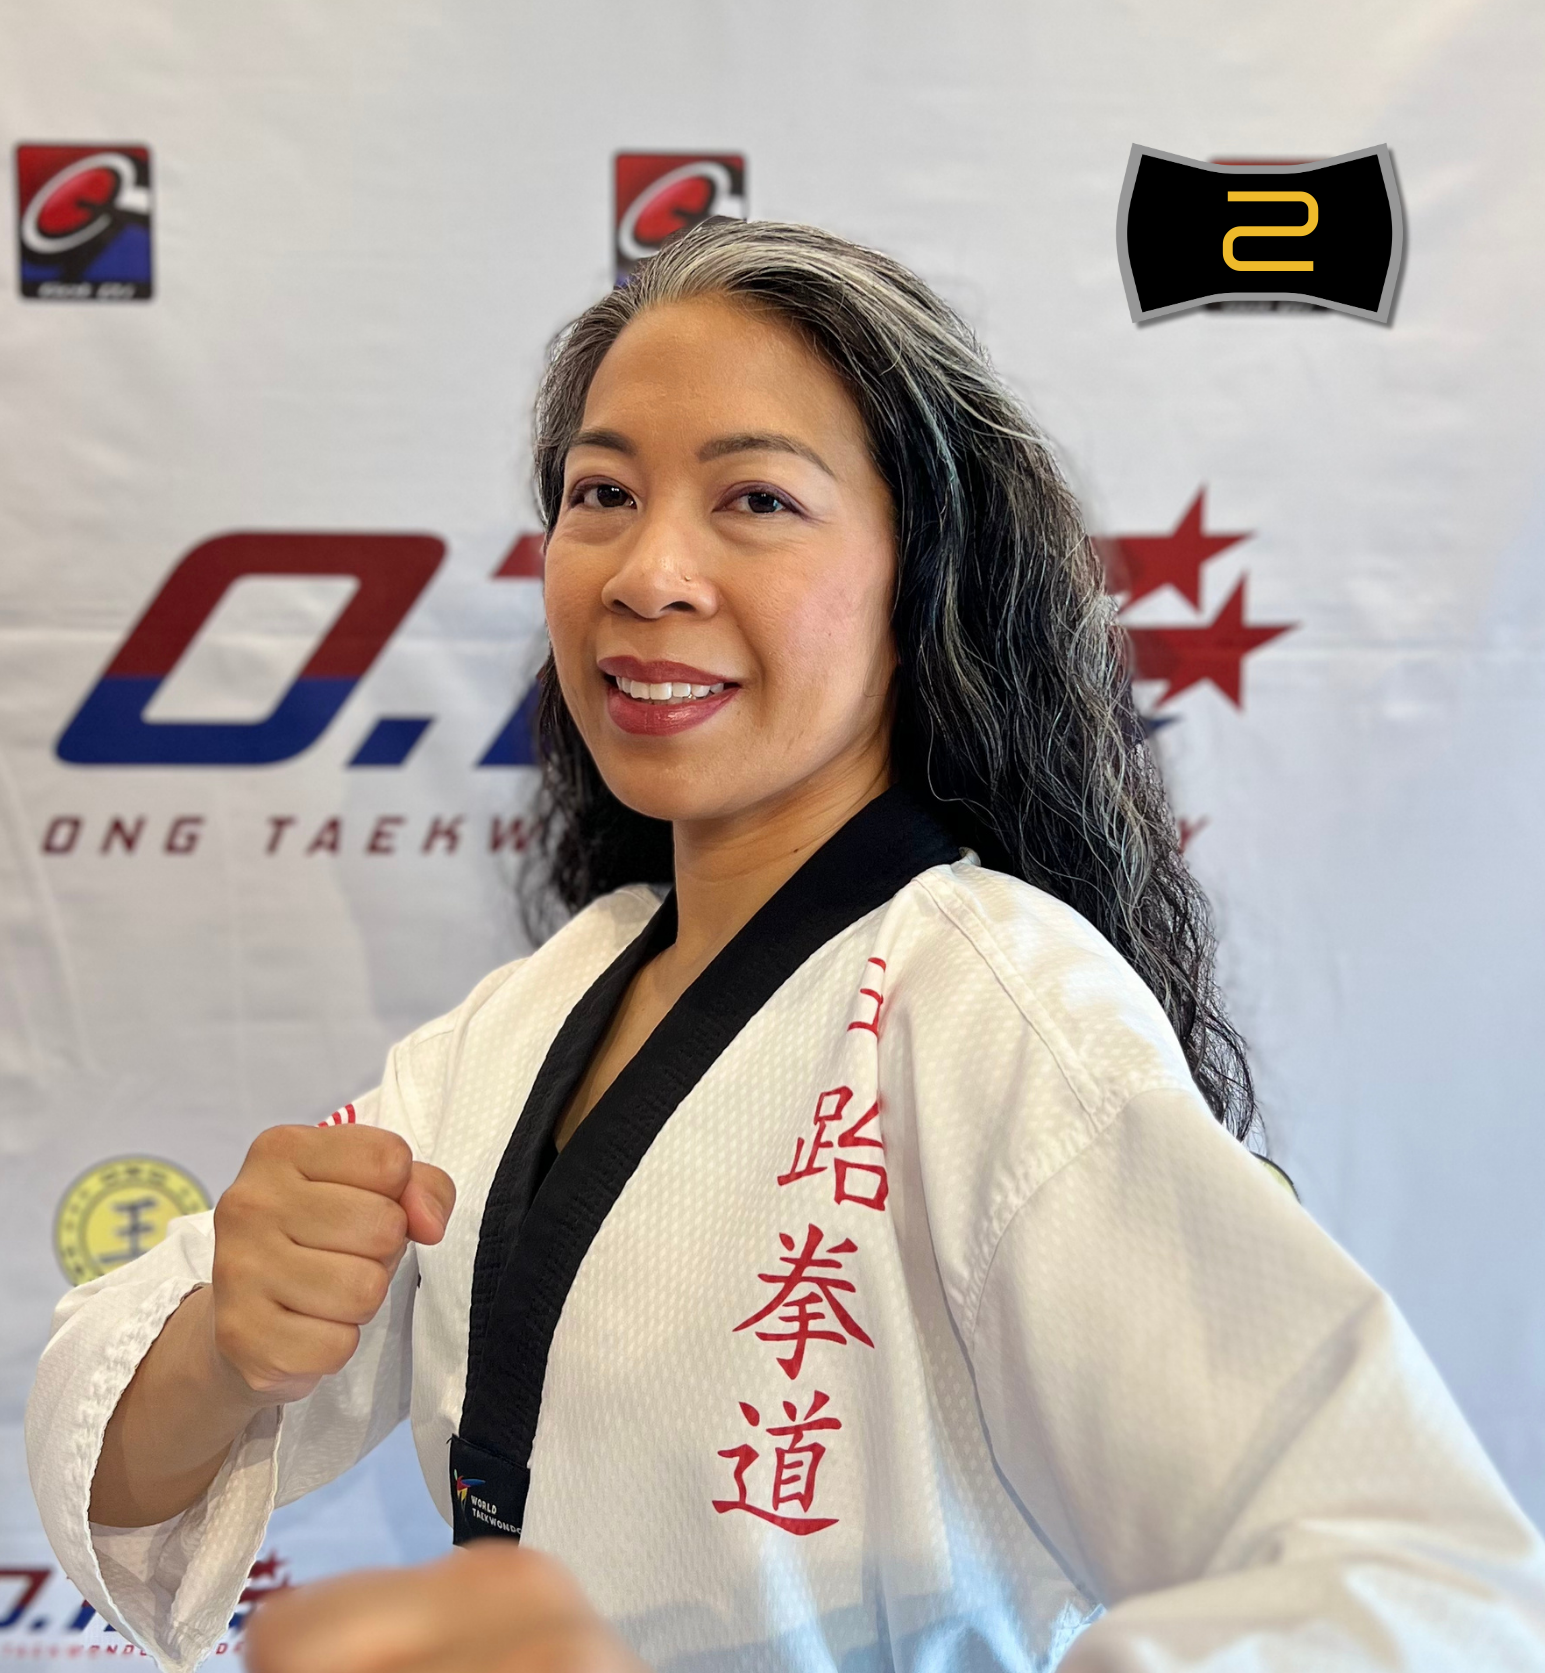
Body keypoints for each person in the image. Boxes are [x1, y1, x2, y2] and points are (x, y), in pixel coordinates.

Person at [27, 218, 1545, 1673]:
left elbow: (1418, 1595)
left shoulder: (993, 1005)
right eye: (600, 493)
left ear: (920, 580)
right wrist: (233, 1342)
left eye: (754, 500)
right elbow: (117, 1464)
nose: (644, 573)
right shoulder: (549, 1005)